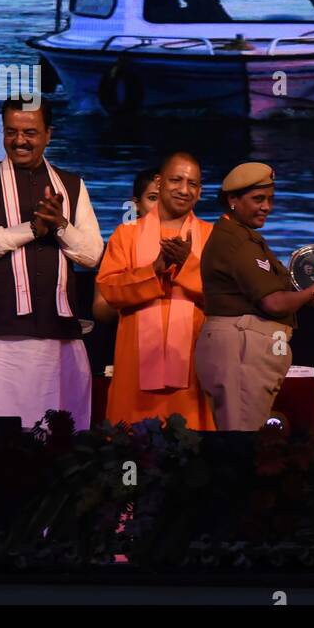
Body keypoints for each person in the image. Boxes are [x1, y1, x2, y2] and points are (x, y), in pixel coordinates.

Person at [0, 99, 104, 429]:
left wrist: (61, 225)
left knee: (56, 440)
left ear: (49, 135)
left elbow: (92, 254)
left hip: (57, 338)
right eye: (11, 132)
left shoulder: (73, 185)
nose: (19, 140)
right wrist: (32, 230)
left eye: (30, 133)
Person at [196, 163, 314, 430]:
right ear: (232, 200)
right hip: (239, 349)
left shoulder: (240, 237)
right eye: (258, 199)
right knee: (241, 442)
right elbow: (272, 302)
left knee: (243, 438)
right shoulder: (235, 241)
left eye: (270, 199)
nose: (267, 207)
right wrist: (310, 295)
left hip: (242, 346)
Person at [97, 152, 215, 430]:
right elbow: (110, 291)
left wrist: (188, 266)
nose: (184, 189)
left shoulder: (213, 236)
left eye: (193, 184)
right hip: (135, 370)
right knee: (132, 447)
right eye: (176, 180)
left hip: (194, 371)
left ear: (200, 192)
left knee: (192, 454)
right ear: (160, 183)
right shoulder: (126, 235)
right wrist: (154, 270)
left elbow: (228, 299)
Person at [92, 168, 160, 324]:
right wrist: (137, 296)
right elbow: (100, 308)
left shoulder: (194, 236)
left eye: (166, 198)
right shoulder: (122, 239)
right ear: (136, 203)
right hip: (135, 335)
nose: (160, 206)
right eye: (153, 198)